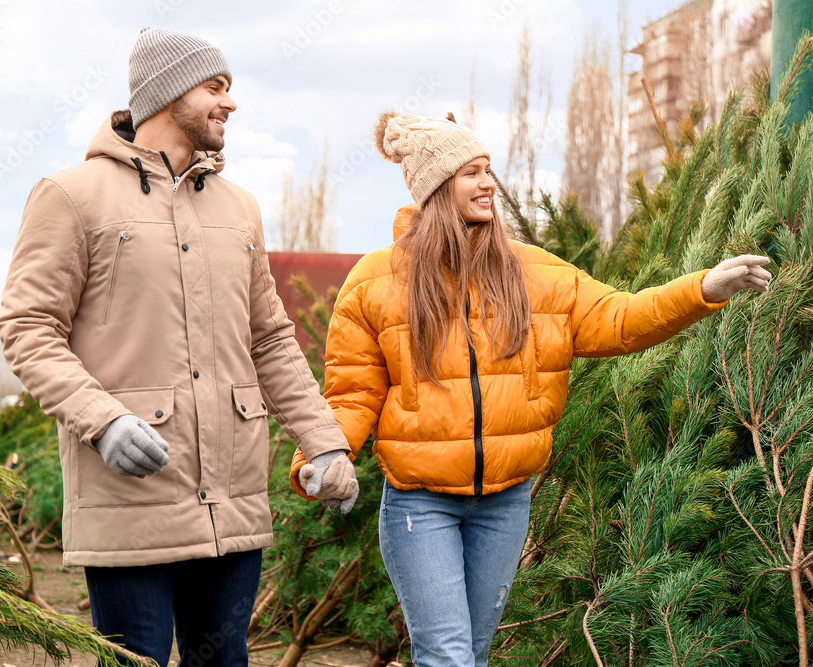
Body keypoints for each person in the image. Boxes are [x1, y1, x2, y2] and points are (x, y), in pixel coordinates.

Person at [288, 112, 772, 666]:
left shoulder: (536, 274)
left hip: (507, 498)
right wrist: (322, 456)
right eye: (471, 172)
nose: (487, 183)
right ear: (437, 188)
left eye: (489, 169)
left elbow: (621, 318)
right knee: (446, 654)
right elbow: (352, 394)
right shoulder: (377, 281)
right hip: (419, 501)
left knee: (472, 652)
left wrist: (702, 288)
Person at [0, 27, 358, 667]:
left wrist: (323, 440)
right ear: (168, 93)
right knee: (134, 660)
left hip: (235, 500)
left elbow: (269, 338)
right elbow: (27, 327)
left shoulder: (239, 207)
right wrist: (102, 420)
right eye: (216, 87)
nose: (231, 103)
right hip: (129, 498)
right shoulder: (72, 195)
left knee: (223, 660)